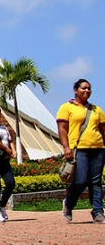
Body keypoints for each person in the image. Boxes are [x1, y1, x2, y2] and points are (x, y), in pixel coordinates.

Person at [57, 78, 105, 223]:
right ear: (76, 90)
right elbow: (62, 129)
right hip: (79, 149)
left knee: (96, 182)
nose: (87, 91)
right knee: (81, 180)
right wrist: (66, 147)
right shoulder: (66, 107)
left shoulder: (96, 109)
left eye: (89, 88)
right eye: (83, 88)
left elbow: (103, 130)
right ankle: (69, 203)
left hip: (98, 148)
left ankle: (98, 211)